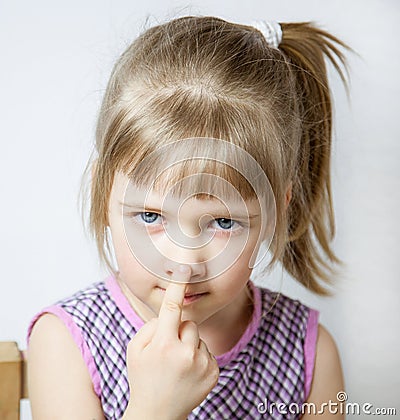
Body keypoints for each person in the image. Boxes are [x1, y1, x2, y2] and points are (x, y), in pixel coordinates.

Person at [27, 15, 350, 419]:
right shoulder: (66, 342)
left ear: (274, 212)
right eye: (150, 216)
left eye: (223, 223)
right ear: (103, 194)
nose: (183, 261)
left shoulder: (309, 351)